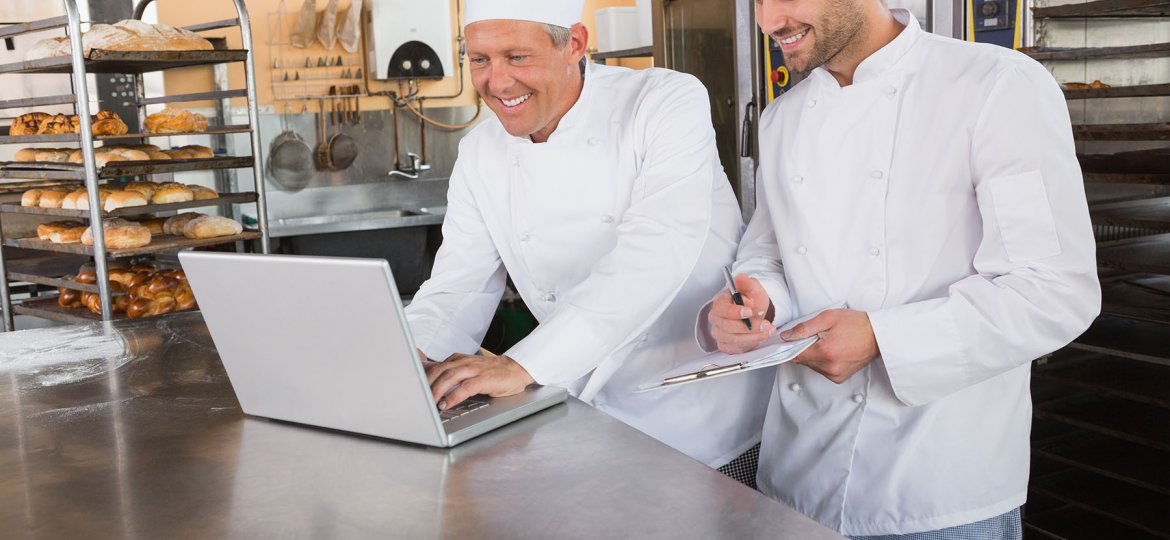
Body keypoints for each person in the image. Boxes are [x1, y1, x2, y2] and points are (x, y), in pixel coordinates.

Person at [702, 0, 1101, 537]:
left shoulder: (996, 88)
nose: (770, 20)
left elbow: (1051, 290)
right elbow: (770, 250)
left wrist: (881, 338)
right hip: (793, 487)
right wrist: (757, 300)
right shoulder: (782, 118)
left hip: (936, 492)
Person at [404, 0, 773, 474]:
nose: (496, 82)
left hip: (700, 423)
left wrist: (523, 366)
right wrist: (403, 359)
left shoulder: (664, 101)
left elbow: (655, 255)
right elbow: (458, 287)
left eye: (517, 57)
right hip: (586, 414)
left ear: (575, 44)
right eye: (479, 59)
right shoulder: (480, 151)